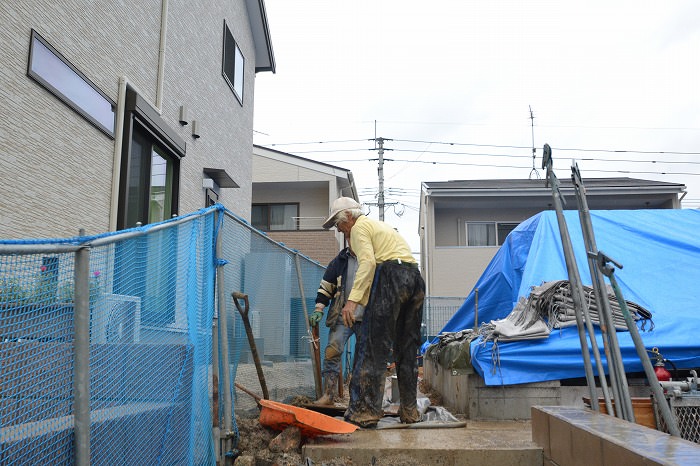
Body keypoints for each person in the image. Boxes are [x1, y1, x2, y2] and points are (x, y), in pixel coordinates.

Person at [322, 197, 425, 428]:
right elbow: (373, 272)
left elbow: (368, 263)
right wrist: (362, 301)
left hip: (391, 276)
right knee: (407, 347)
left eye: (338, 224)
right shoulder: (378, 227)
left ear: (348, 216)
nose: (339, 230)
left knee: (373, 348)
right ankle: (409, 411)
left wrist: (352, 301)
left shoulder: (358, 228)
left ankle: (365, 412)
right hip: (414, 278)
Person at [309, 233, 364, 405]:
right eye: (349, 238)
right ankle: (329, 395)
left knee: (365, 358)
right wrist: (319, 308)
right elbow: (326, 287)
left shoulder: (371, 259)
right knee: (332, 351)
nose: (351, 240)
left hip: (367, 317)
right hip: (342, 315)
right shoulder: (339, 262)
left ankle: (361, 400)